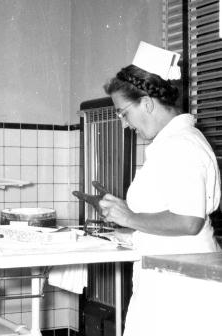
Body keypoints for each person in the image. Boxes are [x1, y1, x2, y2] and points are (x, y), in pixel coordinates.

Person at [99, 41, 221, 336]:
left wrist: (128, 218)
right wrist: (128, 227)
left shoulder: (181, 146)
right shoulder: (169, 145)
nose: (124, 124)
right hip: (170, 276)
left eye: (123, 113)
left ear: (147, 103)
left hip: (184, 286)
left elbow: (188, 221)